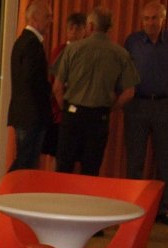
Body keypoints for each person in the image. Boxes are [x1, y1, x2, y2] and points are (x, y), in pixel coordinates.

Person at [52, 6, 140, 176]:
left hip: (73, 114)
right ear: (110, 28)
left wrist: (65, 109)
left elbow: (57, 87)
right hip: (99, 117)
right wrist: (111, 108)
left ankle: (60, 193)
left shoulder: (72, 49)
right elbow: (130, 92)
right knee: (91, 170)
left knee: (64, 167)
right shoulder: (121, 54)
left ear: (90, 26)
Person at [124, 1, 168, 224]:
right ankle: (133, 207)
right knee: (135, 160)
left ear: (163, 19)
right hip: (136, 105)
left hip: (163, 105)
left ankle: (163, 209)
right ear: (141, 21)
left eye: (155, 18)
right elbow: (122, 71)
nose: (151, 23)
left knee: (164, 160)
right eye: (147, 19)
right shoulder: (132, 41)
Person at [7, 0, 53, 171]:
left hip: (25, 113)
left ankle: (9, 186)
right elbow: (32, 79)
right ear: (34, 18)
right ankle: (6, 186)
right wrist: (49, 91)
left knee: (25, 162)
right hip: (31, 114)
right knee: (26, 162)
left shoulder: (24, 41)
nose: (50, 21)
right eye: (47, 16)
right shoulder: (31, 44)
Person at [43, 12, 87, 157]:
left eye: (78, 28)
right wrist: (63, 109)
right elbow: (55, 84)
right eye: (71, 28)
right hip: (61, 111)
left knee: (76, 154)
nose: (74, 32)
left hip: (81, 110)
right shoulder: (60, 51)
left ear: (85, 30)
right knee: (59, 153)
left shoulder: (87, 52)